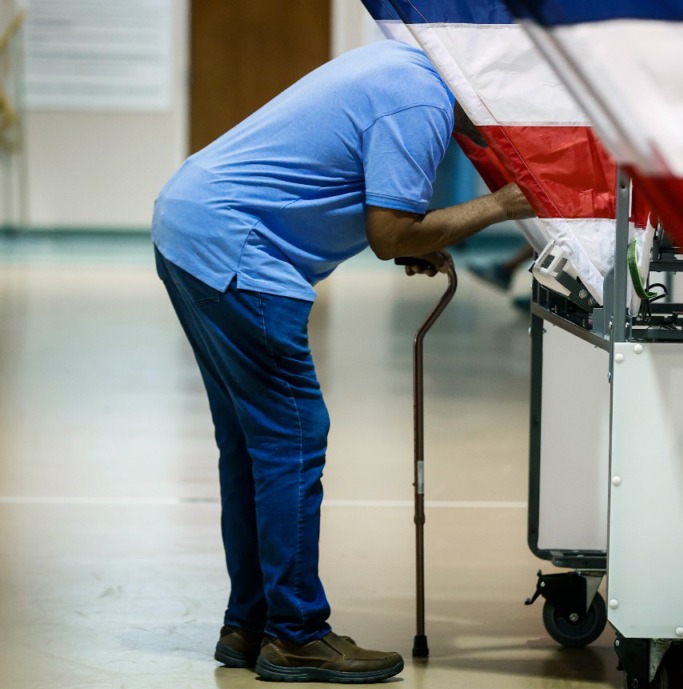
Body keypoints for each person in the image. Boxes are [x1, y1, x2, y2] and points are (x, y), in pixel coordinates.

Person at [151, 39, 534, 684]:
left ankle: (249, 623)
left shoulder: (399, 69)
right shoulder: (422, 103)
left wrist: (422, 233)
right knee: (293, 436)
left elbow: (357, 197)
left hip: (191, 225)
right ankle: (296, 634)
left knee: (251, 443)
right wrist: (502, 203)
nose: (504, 131)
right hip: (241, 253)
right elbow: (390, 234)